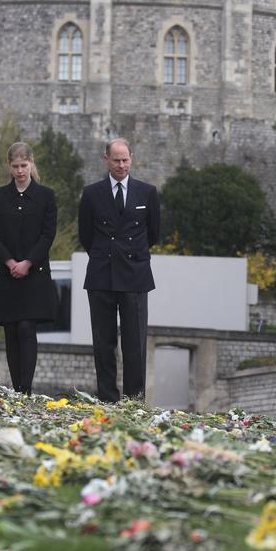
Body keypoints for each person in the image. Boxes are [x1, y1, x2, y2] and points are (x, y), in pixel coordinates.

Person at [78, 138, 160, 402]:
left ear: (132, 158)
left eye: (125, 160)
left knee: (134, 343)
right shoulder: (91, 194)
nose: (122, 165)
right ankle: (107, 399)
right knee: (103, 344)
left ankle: (134, 400)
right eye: (116, 160)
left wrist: (131, 256)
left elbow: (154, 234)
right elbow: (86, 234)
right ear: (106, 160)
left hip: (135, 276)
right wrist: (105, 255)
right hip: (102, 274)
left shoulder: (147, 192)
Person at [0, 141, 57, 395]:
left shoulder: (46, 196)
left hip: (34, 273)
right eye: (15, 166)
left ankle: (26, 388)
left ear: (31, 163)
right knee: (11, 329)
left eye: (24, 165)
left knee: (26, 327)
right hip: (5, 273)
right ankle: (16, 389)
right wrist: (10, 262)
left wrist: (27, 262)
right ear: (9, 166)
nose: (20, 171)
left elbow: (48, 235)